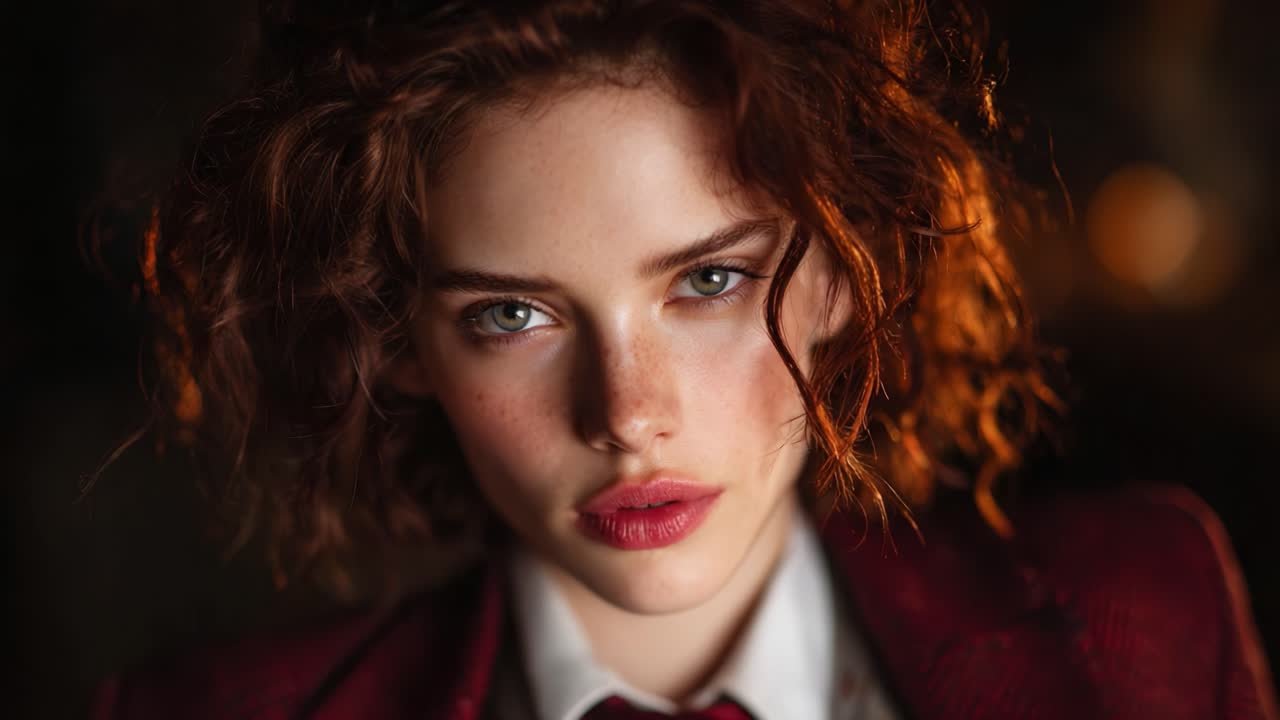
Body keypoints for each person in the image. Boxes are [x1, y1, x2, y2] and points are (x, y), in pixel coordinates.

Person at [90, 1, 1277, 718]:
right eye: (512, 315)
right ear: (398, 343)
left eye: (708, 281)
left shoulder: (1147, 615)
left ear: (837, 275)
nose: (627, 414)